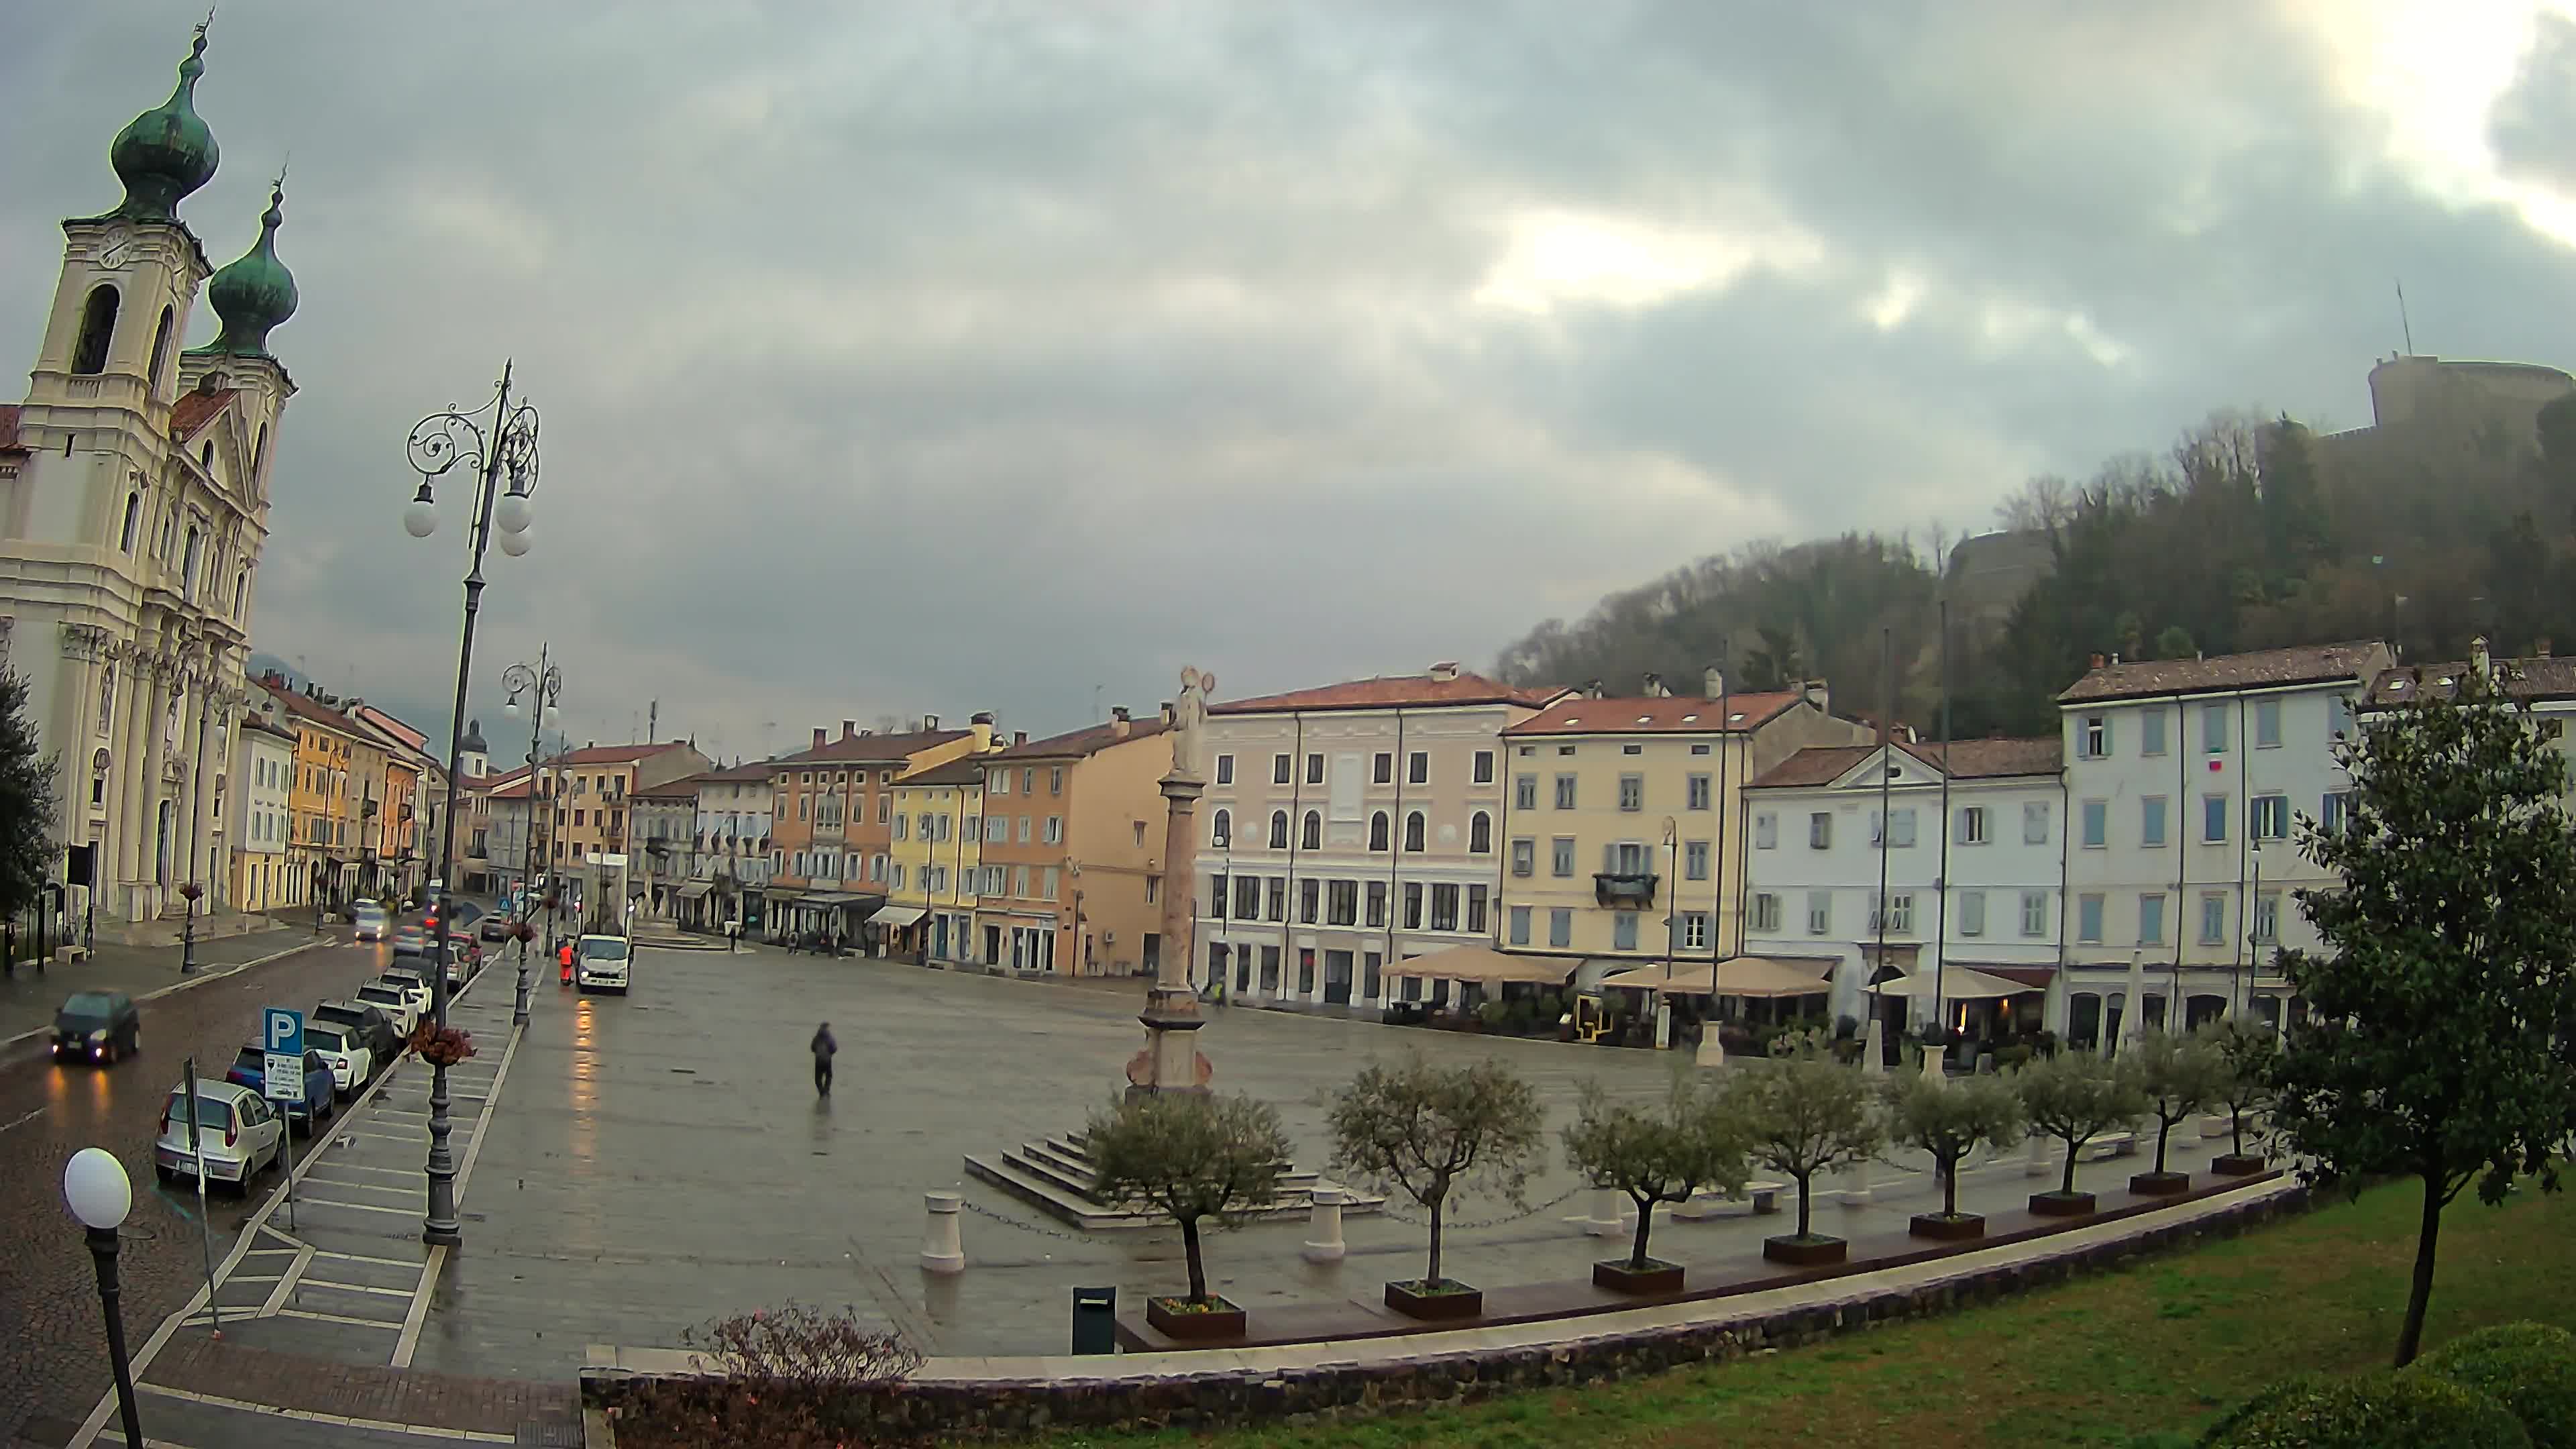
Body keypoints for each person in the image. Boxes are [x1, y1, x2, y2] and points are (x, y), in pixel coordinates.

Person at [810, 1021, 837, 1096]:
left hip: (818, 1060)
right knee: (829, 1076)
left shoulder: (817, 1038)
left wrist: (817, 1053)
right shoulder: (829, 1038)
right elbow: (834, 1048)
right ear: (827, 1028)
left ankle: (821, 1091)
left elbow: (812, 1048)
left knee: (818, 1078)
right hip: (827, 1060)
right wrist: (830, 1054)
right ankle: (826, 1090)